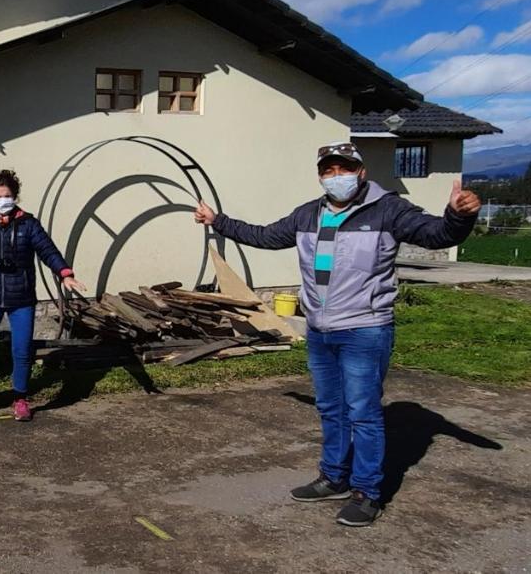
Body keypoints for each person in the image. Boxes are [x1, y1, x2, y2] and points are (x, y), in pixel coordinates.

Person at [194, 141, 480, 527]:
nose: (335, 176)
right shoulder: (309, 214)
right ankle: (333, 478)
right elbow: (264, 235)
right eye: (327, 170)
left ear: (361, 172)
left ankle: (367, 492)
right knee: (330, 408)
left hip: (365, 328)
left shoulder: (388, 209)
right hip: (319, 330)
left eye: (343, 168)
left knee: (363, 412)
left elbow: (436, 234)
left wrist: (458, 216)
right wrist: (218, 221)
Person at [0, 169, 86, 422]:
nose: (3, 200)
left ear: (15, 197)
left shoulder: (29, 224)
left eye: (8, 196)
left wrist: (65, 273)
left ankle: (21, 399)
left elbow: (48, 250)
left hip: (21, 300)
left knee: (22, 351)